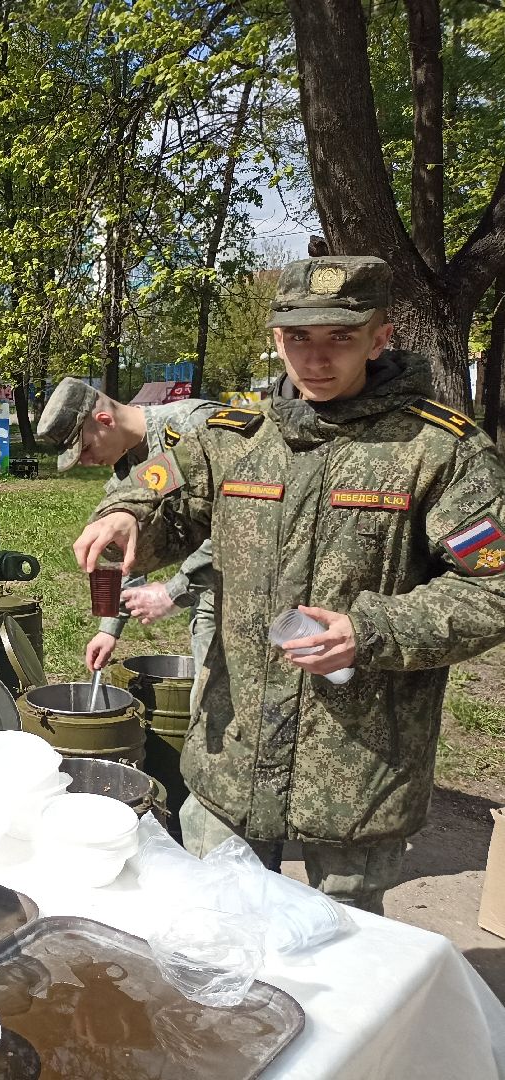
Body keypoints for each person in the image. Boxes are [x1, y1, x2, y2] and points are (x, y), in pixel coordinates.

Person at [73, 256, 505, 914]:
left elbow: (492, 587)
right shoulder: (233, 438)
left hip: (355, 769)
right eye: (299, 337)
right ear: (277, 339)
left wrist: (372, 631)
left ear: (379, 338)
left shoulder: (440, 451)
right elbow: (156, 489)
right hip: (234, 751)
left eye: (340, 337)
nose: (316, 358)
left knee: (342, 951)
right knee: (215, 931)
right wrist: (126, 515)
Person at [37, 378, 223, 707]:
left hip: (259, 590)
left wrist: (174, 591)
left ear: (104, 420)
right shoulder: (127, 472)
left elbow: (241, 525)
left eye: (86, 449)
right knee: (210, 707)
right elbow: (127, 558)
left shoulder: (195, 425)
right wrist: (109, 629)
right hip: (211, 591)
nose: (86, 462)